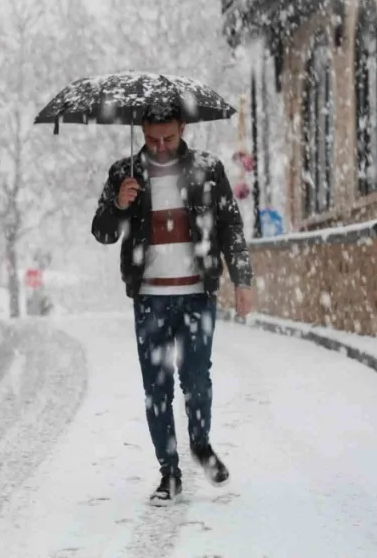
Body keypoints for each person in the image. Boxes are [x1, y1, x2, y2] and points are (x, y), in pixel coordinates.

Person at [91, 102, 254, 506]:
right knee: (156, 388)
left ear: (183, 126)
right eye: (151, 139)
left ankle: (200, 443)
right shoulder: (123, 174)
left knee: (197, 380)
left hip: (197, 294)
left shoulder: (207, 168)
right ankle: (170, 473)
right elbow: (102, 232)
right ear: (140, 131)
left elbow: (231, 223)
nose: (160, 147)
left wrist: (243, 278)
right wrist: (119, 206)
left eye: (168, 137)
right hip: (149, 298)